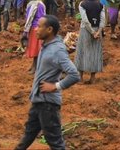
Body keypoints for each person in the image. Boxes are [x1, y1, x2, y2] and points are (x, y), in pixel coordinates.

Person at [15, 15, 80, 150]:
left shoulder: (57, 50)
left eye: (39, 26)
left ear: (49, 29)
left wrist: (55, 86)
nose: (36, 29)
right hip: (38, 100)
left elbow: (74, 74)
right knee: (28, 135)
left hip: (48, 104)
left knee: (55, 142)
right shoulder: (46, 45)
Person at [74, 0, 105, 84]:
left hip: (86, 30)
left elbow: (85, 20)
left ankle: (81, 77)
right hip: (97, 30)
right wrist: (98, 32)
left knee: (82, 51)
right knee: (95, 52)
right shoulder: (100, 4)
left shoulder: (82, 4)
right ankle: (92, 77)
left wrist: (92, 32)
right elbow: (103, 20)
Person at [22, 0, 46, 74]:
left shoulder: (31, 5)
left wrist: (25, 31)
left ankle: (35, 67)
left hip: (34, 28)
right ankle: (34, 65)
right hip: (42, 27)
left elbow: (29, 19)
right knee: (38, 47)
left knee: (35, 48)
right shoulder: (41, 3)